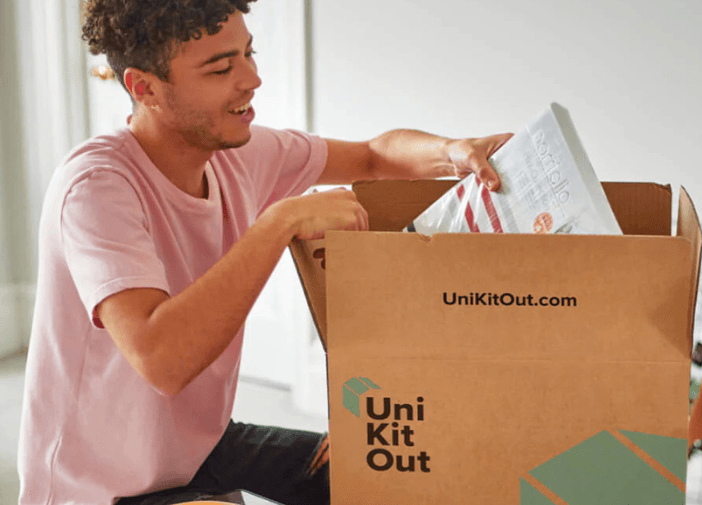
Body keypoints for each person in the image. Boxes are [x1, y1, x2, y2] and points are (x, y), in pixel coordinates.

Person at [16, 1, 512, 504]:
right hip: (101, 488)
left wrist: (451, 150)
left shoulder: (239, 155)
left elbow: (373, 155)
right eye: (220, 68)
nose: (252, 79)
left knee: (406, 466)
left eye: (248, 54)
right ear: (144, 88)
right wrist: (279, 223)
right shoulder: (97, 187)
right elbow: (161, 360)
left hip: (202, 449)